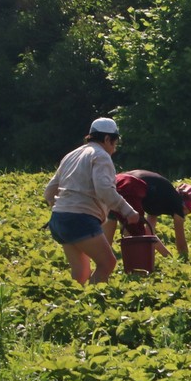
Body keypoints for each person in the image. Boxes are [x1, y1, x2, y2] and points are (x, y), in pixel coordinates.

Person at [44, 118, 141, 285]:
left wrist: (62, 209)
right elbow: (104, 189)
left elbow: (49, 192)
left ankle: (74, 306)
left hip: (58, 220)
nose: (115, 148)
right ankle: (93, 303)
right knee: (107, 263)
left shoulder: (72, 155)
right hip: (80, 219)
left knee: (81, 273)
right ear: (106, 139)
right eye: (114, 142)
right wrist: (128, 211)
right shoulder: (101, 156)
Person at [103, 170, 191, 258]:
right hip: (130, 185)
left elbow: (149, 234)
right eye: (186, 213)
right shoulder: (178, 204)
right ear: (185, 207)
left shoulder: (161, 197)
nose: (184, 216)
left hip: (116, 180)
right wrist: (183, 259)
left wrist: (168, 256)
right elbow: (181, 244)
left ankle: (103, 262)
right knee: (133, 232)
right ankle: (136, 269)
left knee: (111, 220)